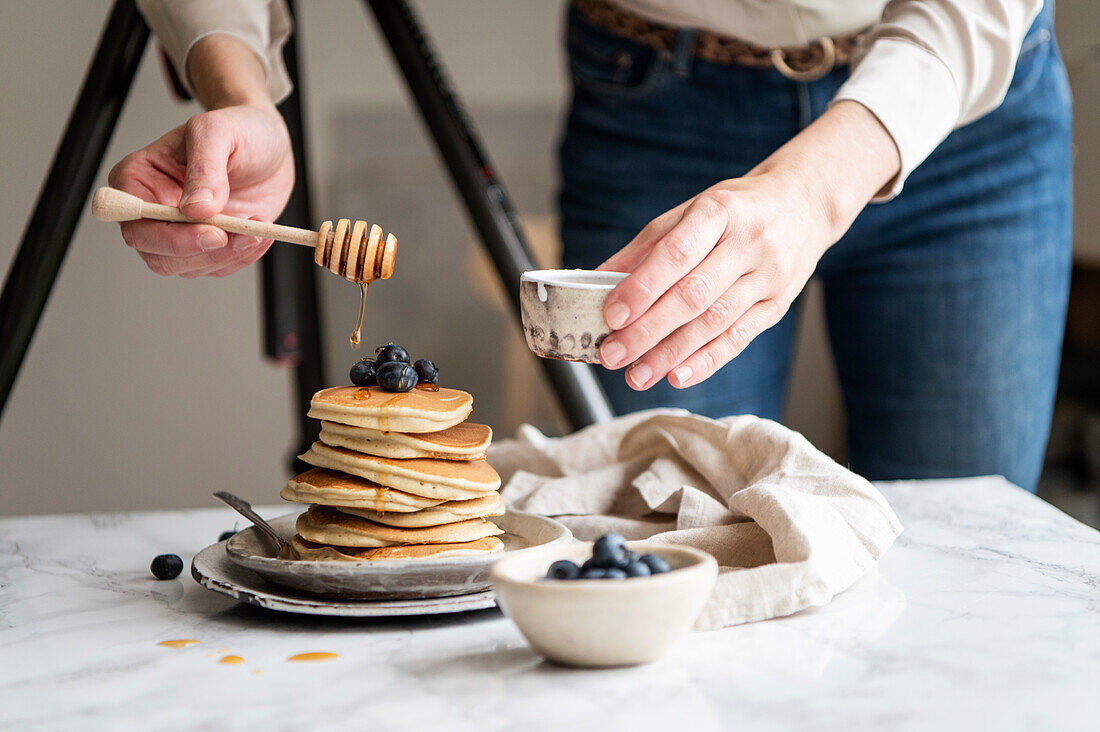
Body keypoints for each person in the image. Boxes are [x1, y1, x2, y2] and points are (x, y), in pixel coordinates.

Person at [110, 0, 1072, 492]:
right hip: (657, 91)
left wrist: (818, 188)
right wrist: (237, 86)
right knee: (666, 557)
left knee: (961, 558)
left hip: (962, 104)